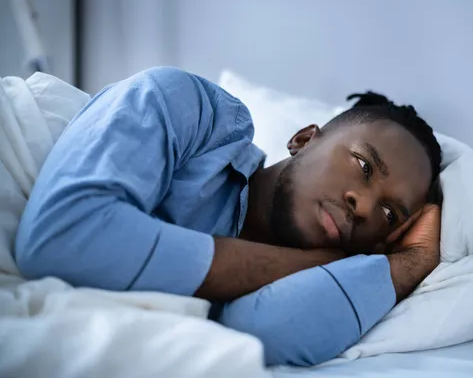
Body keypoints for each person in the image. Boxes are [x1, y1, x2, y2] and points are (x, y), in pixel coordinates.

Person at [15, 67, 442, 366]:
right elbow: (63, 236)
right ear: (304, 139)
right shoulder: (195, 112)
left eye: (389, 214)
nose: (365, 208)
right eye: (364, 166)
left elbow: (261, 338)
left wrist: (410, 264)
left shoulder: (296, 283)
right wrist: (326, 261)